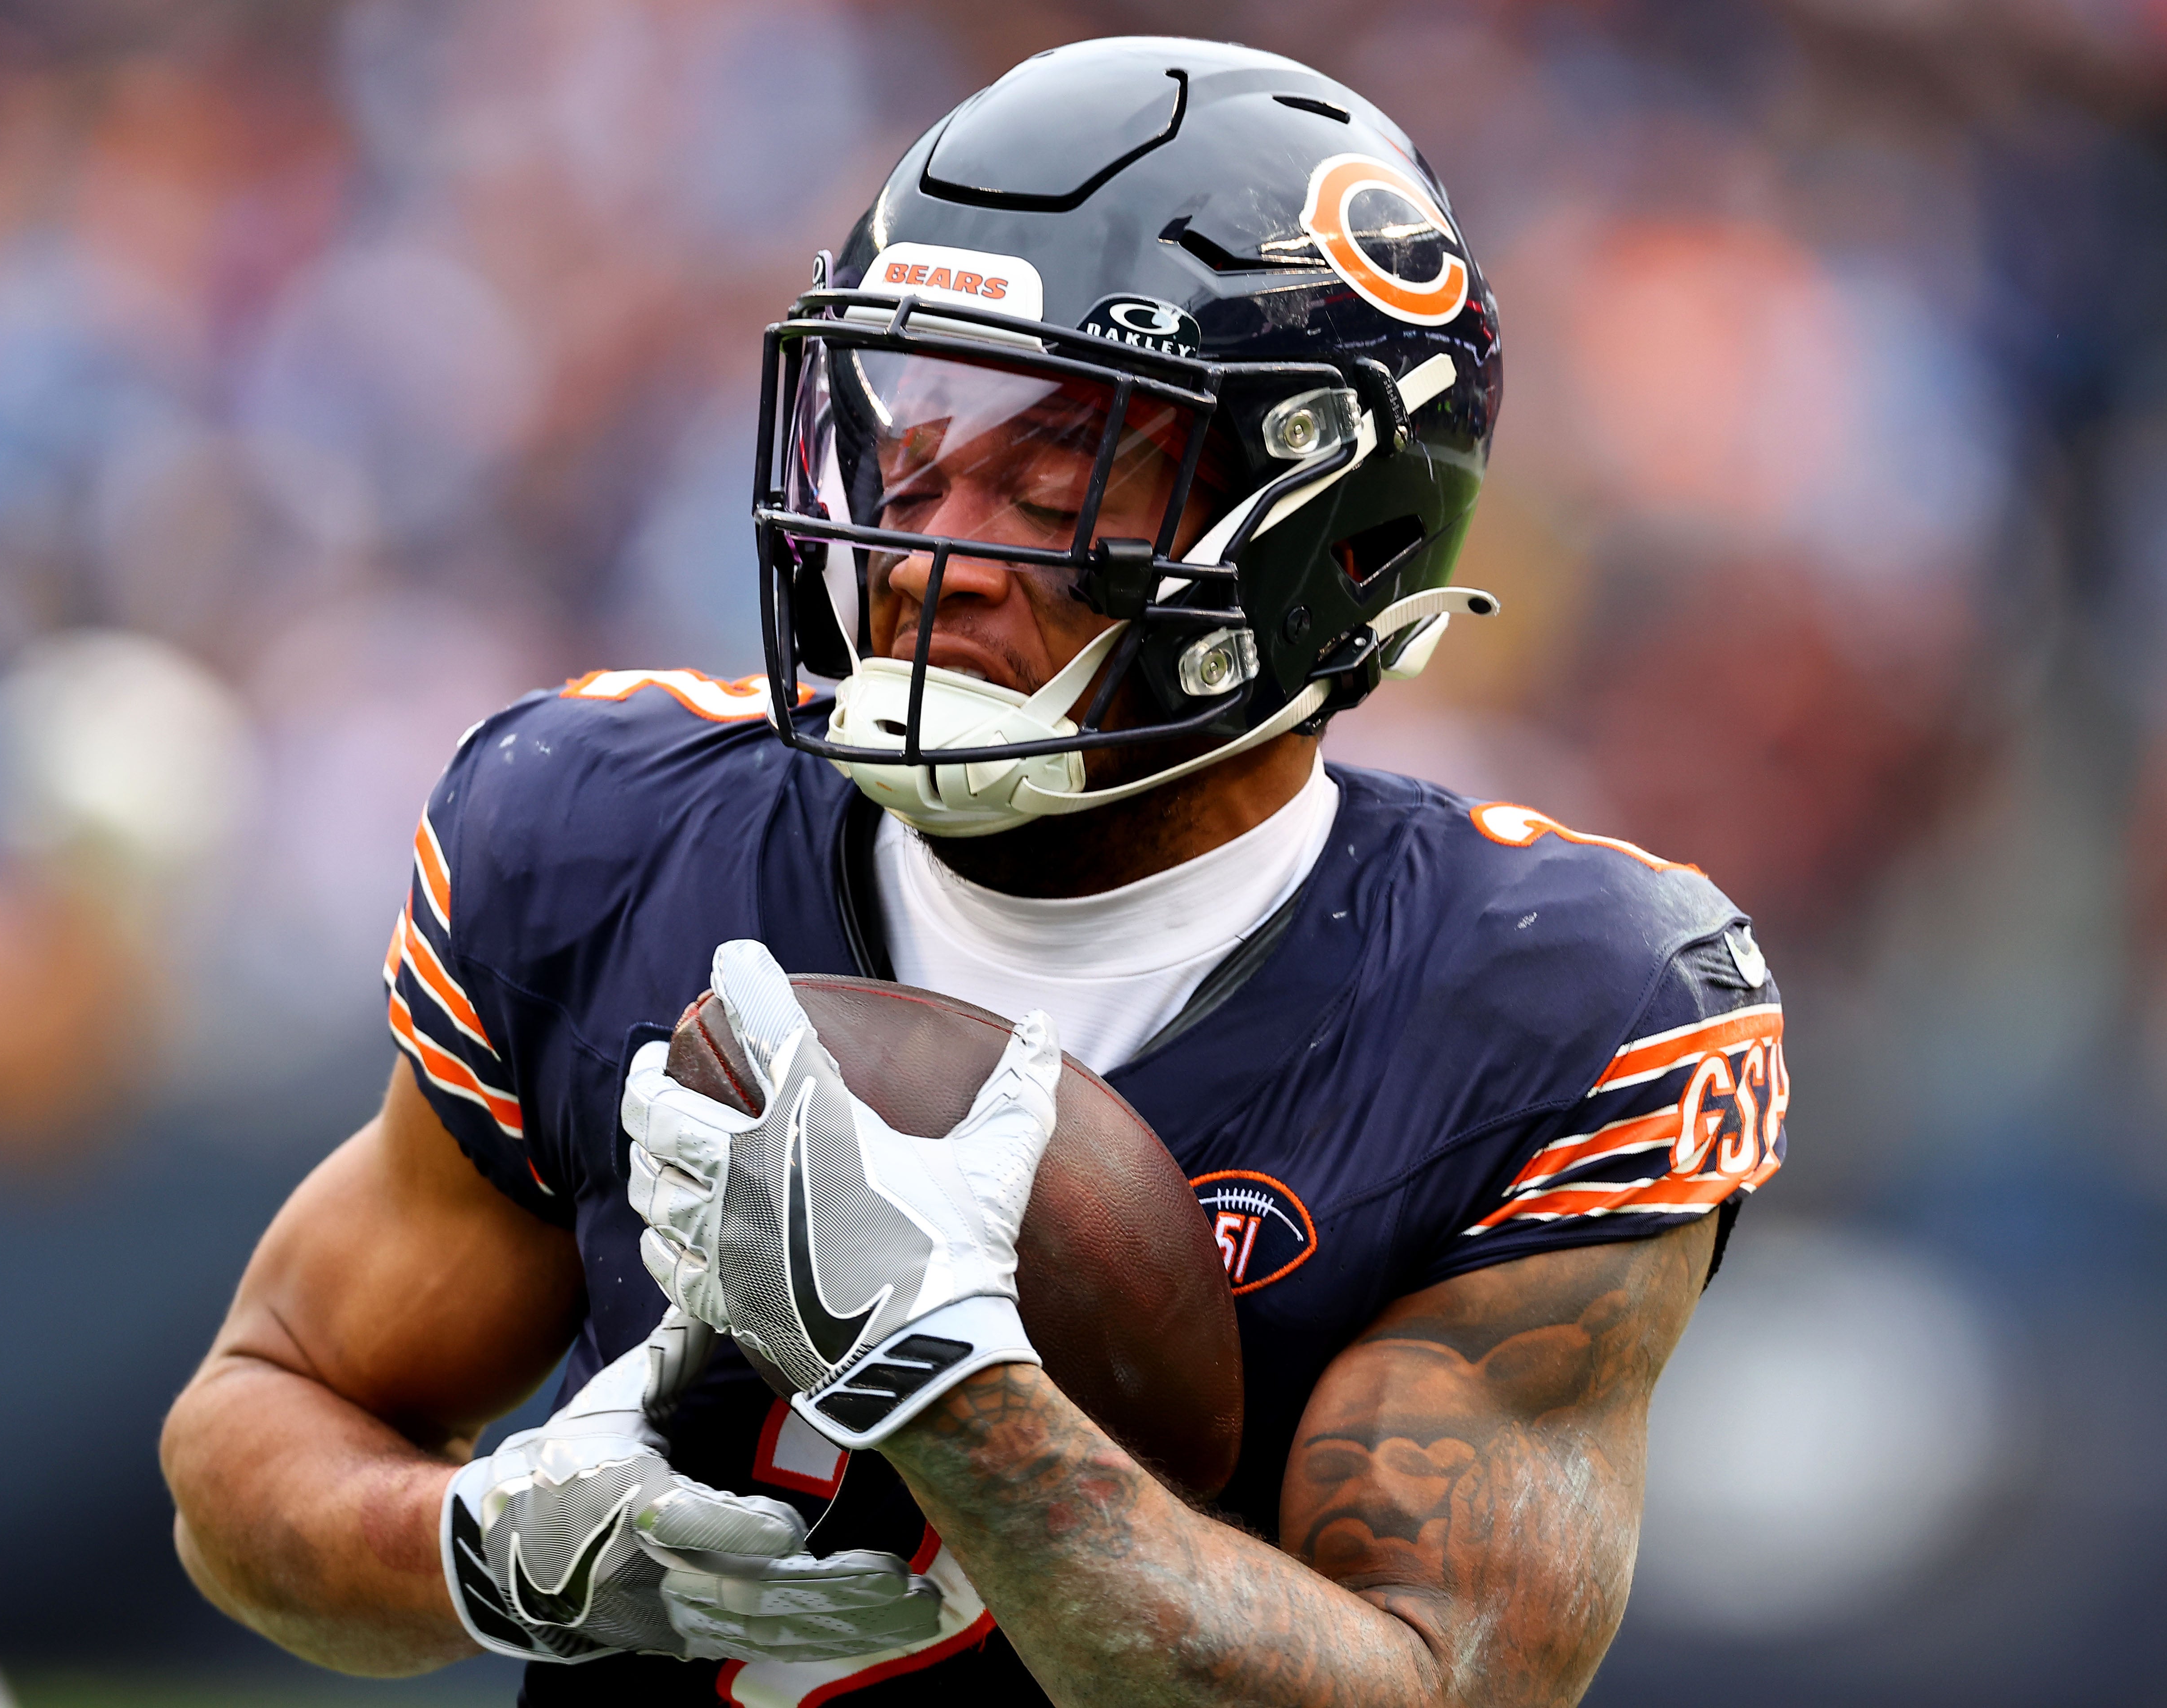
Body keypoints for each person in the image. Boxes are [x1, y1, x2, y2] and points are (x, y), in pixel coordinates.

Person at [164, 37, 1789, 1708]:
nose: (930, 558)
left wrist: (958, 1391)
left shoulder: (1553, 1004)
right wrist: (479, 1553)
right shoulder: (601, 838)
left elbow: (1446, 1686)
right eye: (912, 453)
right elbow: (261, 1421)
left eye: (1060, 481)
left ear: (1332, 541)